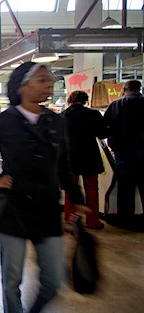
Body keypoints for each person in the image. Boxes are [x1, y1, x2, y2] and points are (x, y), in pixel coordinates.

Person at [0, 62, 86, 313]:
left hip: (48, 210)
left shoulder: (56, 121)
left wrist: (77, 198)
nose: (48, 84)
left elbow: (64, 165)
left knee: (54, 281)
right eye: (41, 80)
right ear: (22, 87)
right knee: (11, 281)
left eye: (49, 79)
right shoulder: (4, 121)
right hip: (13, 209)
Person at [63, 90, 108, 229]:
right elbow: (103, 133)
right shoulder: (93, 114)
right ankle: (93, 220)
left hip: (70, 156)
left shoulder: (63, 116)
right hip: (90, 156)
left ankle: (70, 218)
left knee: (70, 188)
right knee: (92, 189)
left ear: (70, 100)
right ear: (85, 100)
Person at [104, 79, 144, 223]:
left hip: (123, 152)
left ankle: (125, 219)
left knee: (125, 187)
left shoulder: (116, 104)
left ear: (125, 89)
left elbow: (104, 127)